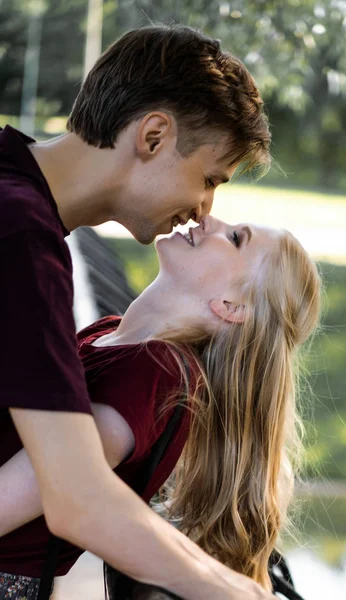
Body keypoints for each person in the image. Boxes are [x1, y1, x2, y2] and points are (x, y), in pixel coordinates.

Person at [0, 24, 273, 599]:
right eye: (208, 179)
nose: (203, 209)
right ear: (152, 135)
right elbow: (78, 498)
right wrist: (240, 594)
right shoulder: (22, 236)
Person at [0, 216, 321, 599]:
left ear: (232, 306)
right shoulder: (107, 334)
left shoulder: (154, 371)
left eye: (235, 238)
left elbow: (36, 491)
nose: (209, 219)